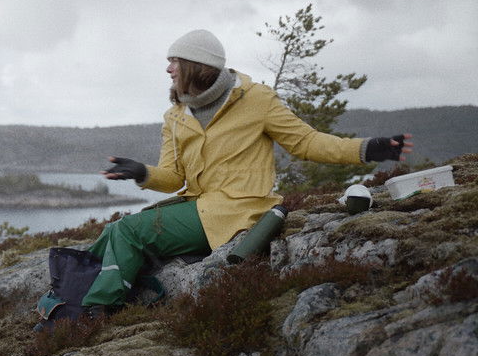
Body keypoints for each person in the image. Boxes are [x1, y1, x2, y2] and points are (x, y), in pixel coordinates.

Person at [81, 29, 411, 310]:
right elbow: (174, 178)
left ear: (197, 66)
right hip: (200, 209)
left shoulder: (256, 99)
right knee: (113, 230)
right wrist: (143, 172)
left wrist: (366, 148)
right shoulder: (176, 116)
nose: (168, 68)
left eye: (175, 61)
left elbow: (306, 143)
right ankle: (71, 284)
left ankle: (94, 311)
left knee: (128, 231)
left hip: (242, 211)